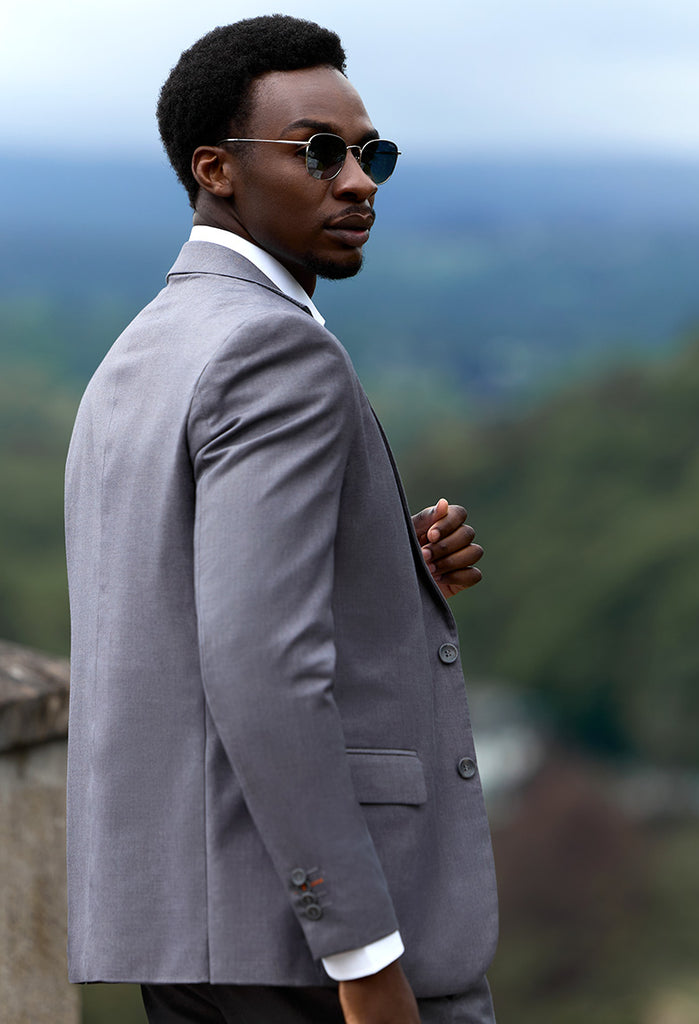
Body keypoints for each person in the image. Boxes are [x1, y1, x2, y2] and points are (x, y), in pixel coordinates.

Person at [64, 13, 498, 1024]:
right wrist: (365, 957)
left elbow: (176, 606)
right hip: (314, 955)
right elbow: (260, 663)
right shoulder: (277, 354)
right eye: (318, 152)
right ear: (215, 167)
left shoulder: (140, 352)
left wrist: (395, 574)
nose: (358, 181)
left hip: (183, 935)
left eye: (369, 152)